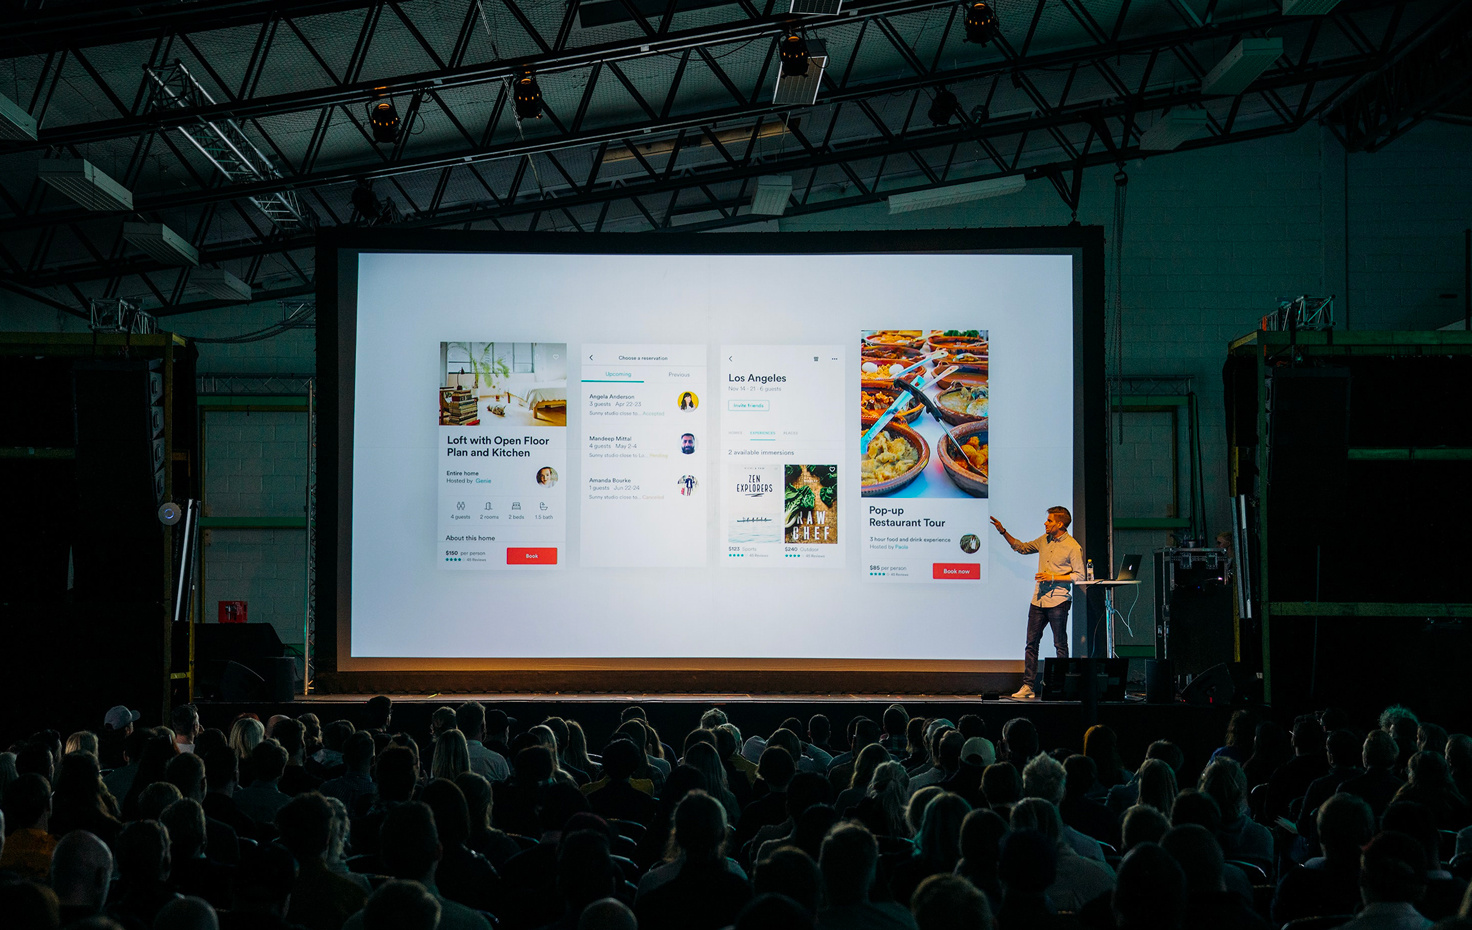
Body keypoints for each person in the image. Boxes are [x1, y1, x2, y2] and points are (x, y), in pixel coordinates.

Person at [990, 506, 1085, 700]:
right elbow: (1022, 548)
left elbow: (1079, 576)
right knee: (1031, 644)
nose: (1045, 523)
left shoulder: (1073, 546)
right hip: (1038, 601)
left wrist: (1052, 576)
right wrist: (1003, 531)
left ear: (1060, 524)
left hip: (1058, 601)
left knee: (1060, 645)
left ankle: (1060, 687)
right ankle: (1028, 686)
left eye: (1049, 521)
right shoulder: (1044, 540)